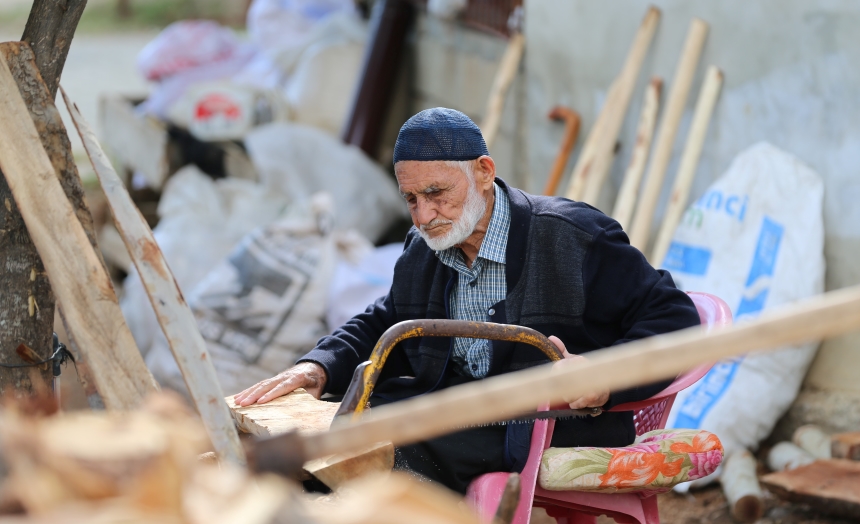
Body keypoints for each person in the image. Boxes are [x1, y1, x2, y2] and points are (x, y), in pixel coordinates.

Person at [234, 107, 700, 493]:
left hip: (549, 419)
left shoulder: (573, 236)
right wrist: (317, 367)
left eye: (436, 193)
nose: (423, 215)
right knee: (313, 439)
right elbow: (389, 318)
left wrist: (603, 376)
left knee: (387, 453)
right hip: (454, 406)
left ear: (483, 172)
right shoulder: (425, 248)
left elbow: (676, 317)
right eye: (411, 199)